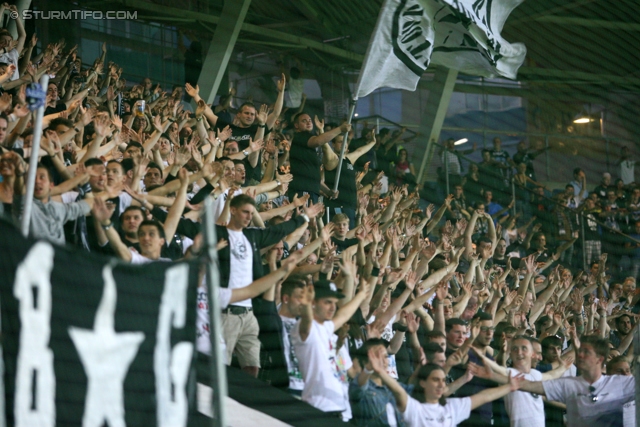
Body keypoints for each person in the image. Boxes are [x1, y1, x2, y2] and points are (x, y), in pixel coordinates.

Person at [368, 353, 524, 427]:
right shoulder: (415, 408)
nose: (441, 384)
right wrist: (381, 372)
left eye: (443, 380)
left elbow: (484, 397)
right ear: (423, 383)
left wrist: (509, 387)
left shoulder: (451, 407)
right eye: (435, 380)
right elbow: (399, 392)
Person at [291, 277, 371, 418]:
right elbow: (307, 321)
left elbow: (344, 314)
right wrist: (306, 306)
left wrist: (361, 294)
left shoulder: (326, 328)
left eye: (334, 303)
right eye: (327, 302)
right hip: (318, 410)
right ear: (313, 303)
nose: (333, 307)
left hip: (340, 410)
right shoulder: (303, 328)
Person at [517, 335, 635, 427]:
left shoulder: (625, 384)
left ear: (600, 359)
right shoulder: (568, 384)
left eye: (586, 353)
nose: (581, 355)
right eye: (580, 352)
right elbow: (527, 385)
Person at [469, 335, 574, 427]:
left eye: (524, 348)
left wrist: (563, 368)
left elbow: (551, 375)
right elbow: (499, 369)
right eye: (514, 349)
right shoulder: (511, 373)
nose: (519, 352)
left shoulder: (535, 374)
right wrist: (483, 358)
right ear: (510, 354)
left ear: (532, 354)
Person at [288, 113, 350, 203]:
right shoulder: (301, 137)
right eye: (304, 121)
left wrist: (328, 191)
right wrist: (340, 129)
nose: (308, 123)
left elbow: (314, 177)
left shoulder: (307, 147)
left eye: (310, 120)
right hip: (302, 191)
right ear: (296, 125)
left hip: (311, 191)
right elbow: (318, 140)